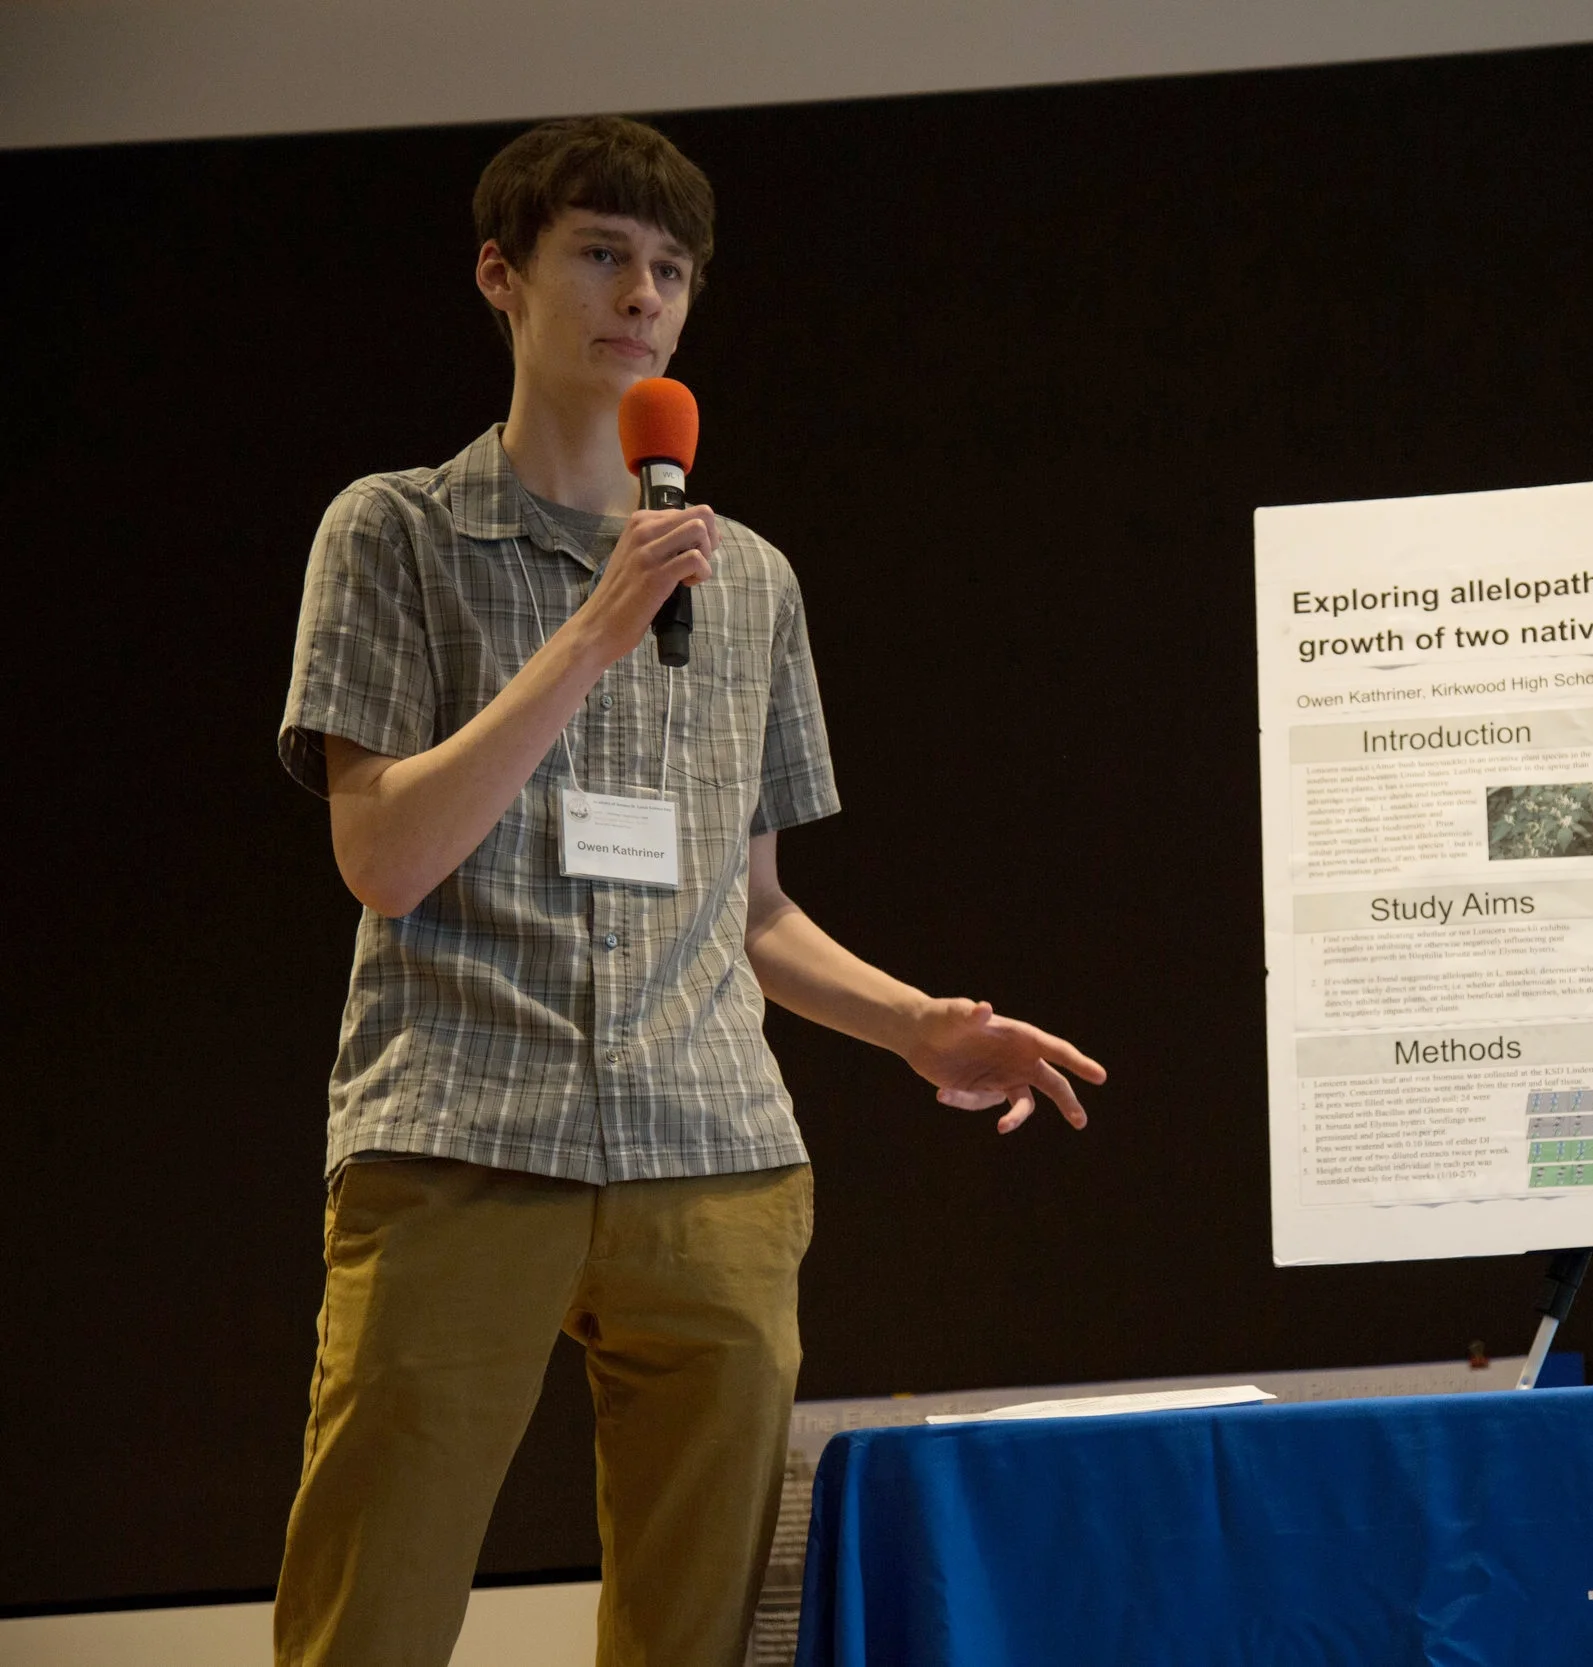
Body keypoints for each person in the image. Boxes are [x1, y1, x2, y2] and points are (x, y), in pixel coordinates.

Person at [272, 114, 1104, 1666]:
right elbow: (383, 854)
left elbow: (752, 906)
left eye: (669, 269)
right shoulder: (390, 533)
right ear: (500, 278)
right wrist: (587, 635)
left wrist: (918, 1025)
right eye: (601, 253)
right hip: (461, 1135)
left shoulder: (754, 583)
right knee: (368, 1614)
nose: (641, 293)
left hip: (711, 1150)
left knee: (702, 1630)